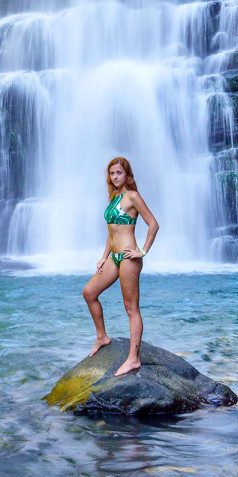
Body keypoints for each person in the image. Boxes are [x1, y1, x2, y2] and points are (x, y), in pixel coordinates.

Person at [82, 156, 160, 376]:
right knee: (89, 293)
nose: (115, 176)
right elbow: (111, 233)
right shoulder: (113, 198)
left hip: (128, 259)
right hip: (113, 258)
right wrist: (103, 257)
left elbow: (153, 224)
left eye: (119, 173)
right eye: (112, 173)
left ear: (127, 175)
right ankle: (102, 337)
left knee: (131, 308)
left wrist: (142, 251)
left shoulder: (132, 197)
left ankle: (133, 358)